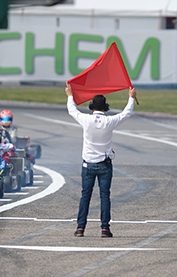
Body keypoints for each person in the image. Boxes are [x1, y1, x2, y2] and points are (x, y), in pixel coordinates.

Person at [66, 83, 137, 238]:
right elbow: (126, 113)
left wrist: (70, 95)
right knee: (105, 196)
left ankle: (80, 228)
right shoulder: (109, 121)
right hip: (105, 165)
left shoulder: (86, 120)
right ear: (105, 107)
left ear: (92, 107)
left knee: (85, 195)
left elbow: (72, 110)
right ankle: (105, 228)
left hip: (88, 164)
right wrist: (131, 98)